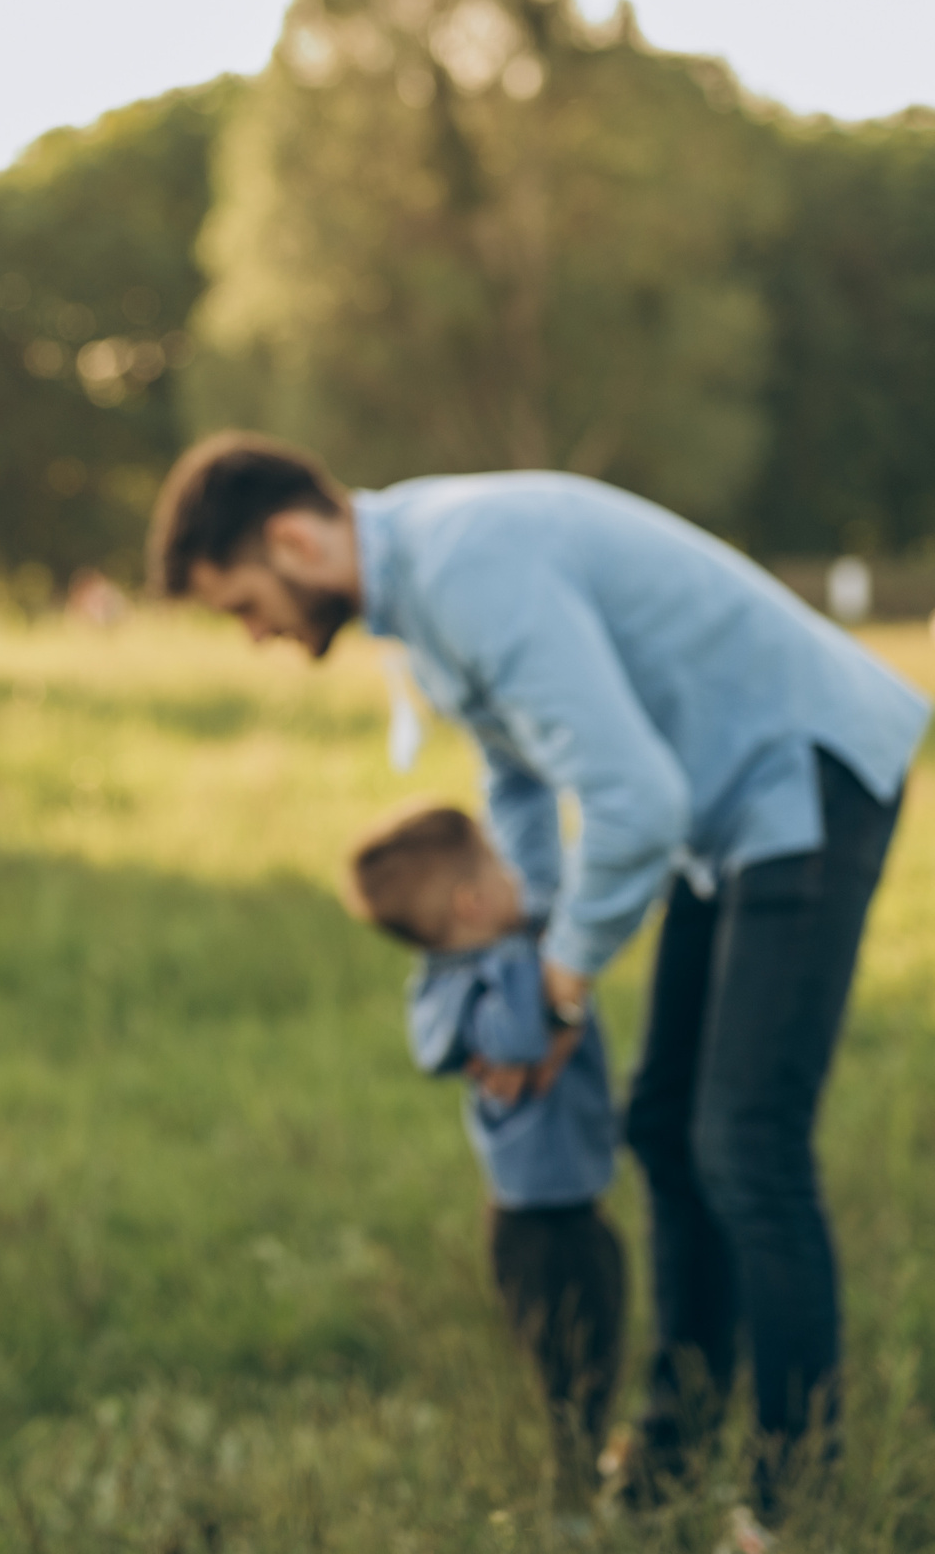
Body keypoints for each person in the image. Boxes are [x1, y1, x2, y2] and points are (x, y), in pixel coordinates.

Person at [151, 434, 926, 1531]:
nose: (255, 635)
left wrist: (562, 989)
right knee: (664, 1129)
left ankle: (791, 1501)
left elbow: (635, 802)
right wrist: (528, 967)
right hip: (725, 814)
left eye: (244, 606)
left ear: (293, 541)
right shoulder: (417, 596)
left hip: (804, 771)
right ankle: (669, 1457)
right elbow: (517, 790)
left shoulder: (465, 566)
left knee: (746, 1145)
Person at [348, 802, 624, 1524]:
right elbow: (515, 1038)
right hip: (534, 1220)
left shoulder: (507, 945)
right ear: (472, 904)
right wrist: (521, 958)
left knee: (599, 1344)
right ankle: (572, 1502)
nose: (518, 878)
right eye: (500, 867)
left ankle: (587, 1473)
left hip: (571, 1199)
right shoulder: (459, 983)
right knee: (569, 1362)